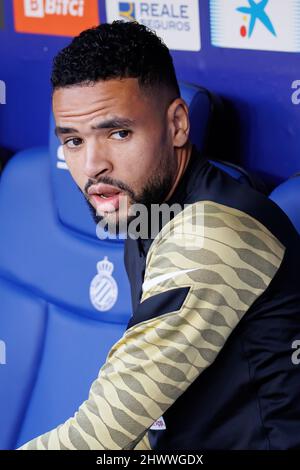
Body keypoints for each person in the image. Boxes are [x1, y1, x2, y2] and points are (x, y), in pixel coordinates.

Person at [19, 21, 300, 450]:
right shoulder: (149, 206)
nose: (92, 165)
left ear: (178, 125)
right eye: (73, 141)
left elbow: (98, 438)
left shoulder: (211, 236)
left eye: (118, 133)